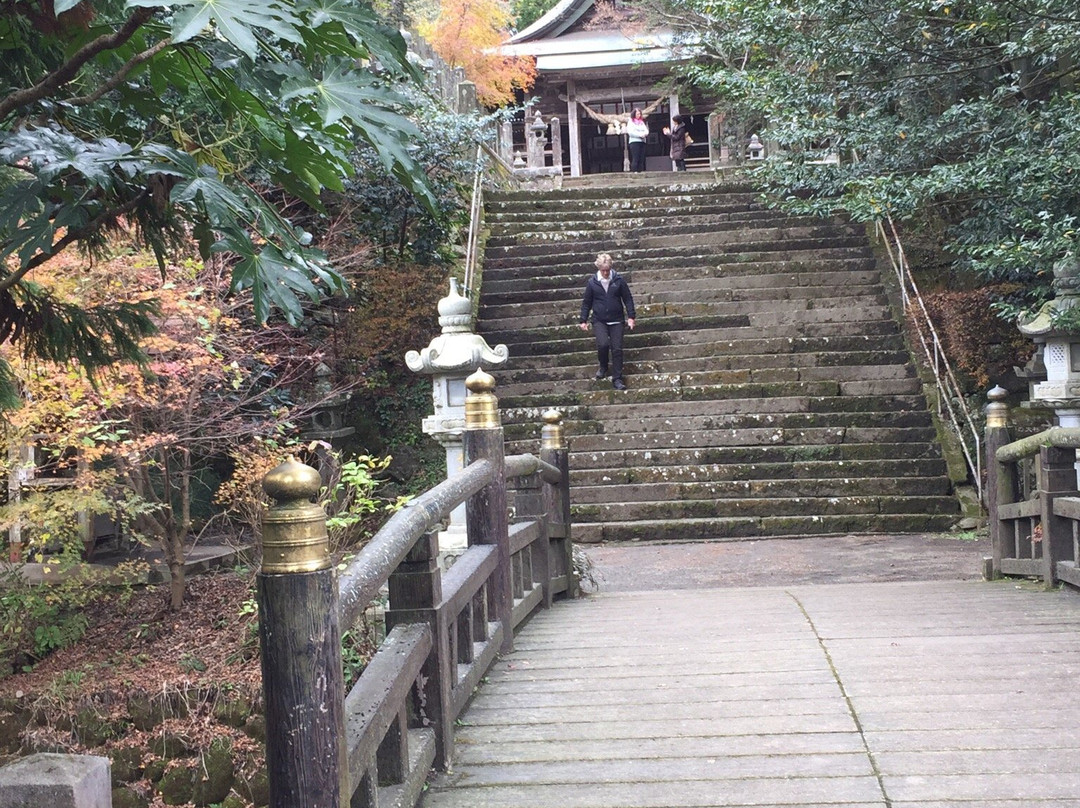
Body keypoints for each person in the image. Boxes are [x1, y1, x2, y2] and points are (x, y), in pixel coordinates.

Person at [579, 253, 636, 390]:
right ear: (599, 268)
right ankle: (603, 365)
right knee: (603, 345)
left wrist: (631, 317)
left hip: (616, 320)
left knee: (617, 349)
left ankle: (617, 379)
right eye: (603, 270)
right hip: (599, 320)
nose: (605, 273)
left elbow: (627, 298)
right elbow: (587, 303)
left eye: (607, 270)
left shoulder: (618, 280)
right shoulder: (592, 283)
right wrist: (583, 320)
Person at [626, 108, 649, 172]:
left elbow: (646, 130)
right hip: (634, 141)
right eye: (637, 114)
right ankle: (634, 171)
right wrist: (639, 135)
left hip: (642, 141)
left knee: (641, 158)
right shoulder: (630, 122)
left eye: (640, 114)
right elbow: (630, 132)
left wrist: (644, 134)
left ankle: (640, 170)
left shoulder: (641, 122)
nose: (639, 115)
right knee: (635, 157)